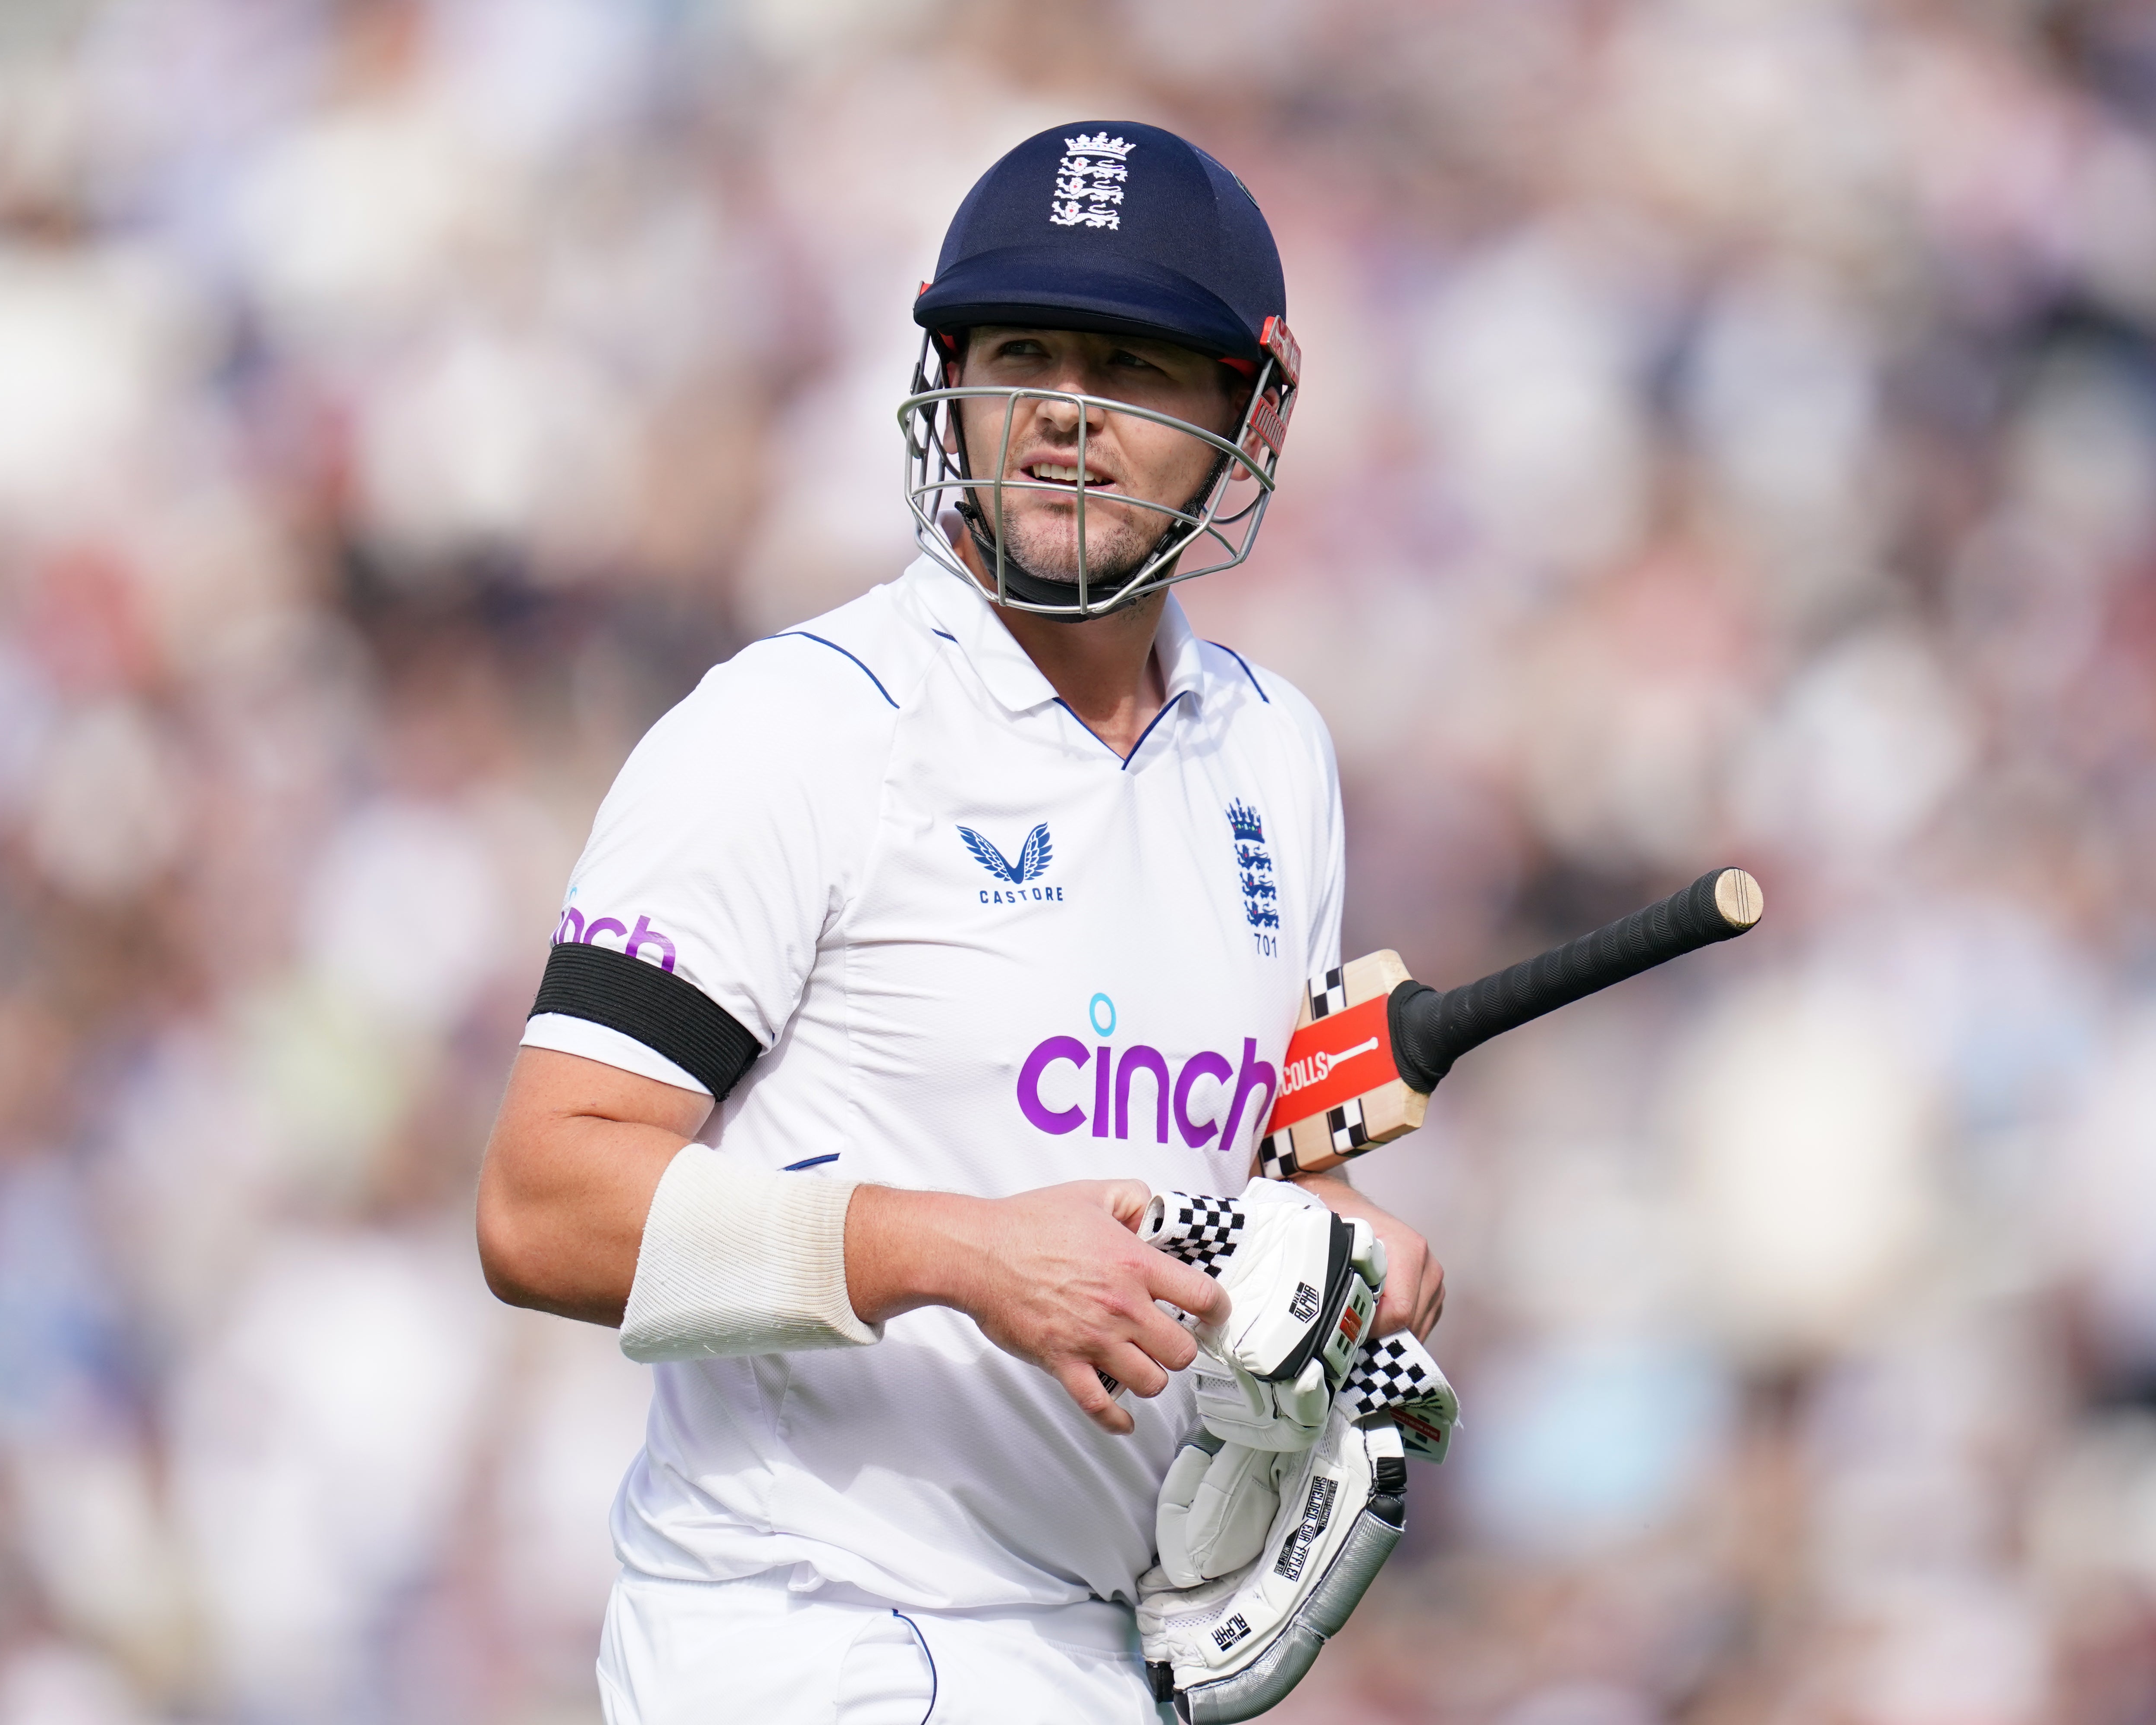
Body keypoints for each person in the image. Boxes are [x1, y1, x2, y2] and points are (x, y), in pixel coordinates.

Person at [475, 120, 1444, 1724]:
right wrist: (966, 1257)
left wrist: (1359, 1261)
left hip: (1095, 1645)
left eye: (1134, 366)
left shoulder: (1277, 750)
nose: (1066, 411)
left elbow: (1287, 1154)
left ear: (1250, 411)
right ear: (951, 379)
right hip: (806, 1624)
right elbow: (539, 1201)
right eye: (1023, 353)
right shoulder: (800, 727)